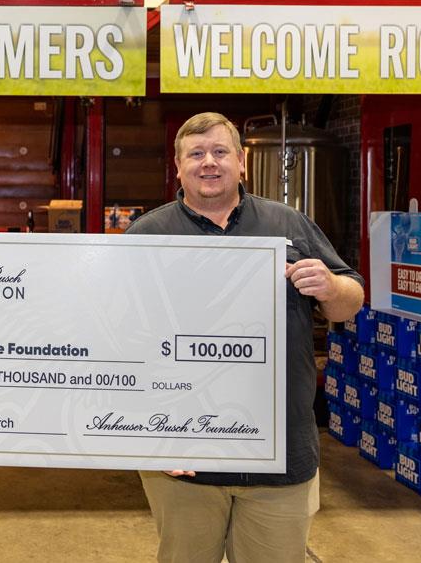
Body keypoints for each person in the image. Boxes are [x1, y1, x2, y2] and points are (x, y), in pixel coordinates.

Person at [126, 112, 364, 563]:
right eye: (195, 154)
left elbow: (349, 302)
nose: (208, 163)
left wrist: (331, 287)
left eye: (219, 152)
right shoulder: (146, 235)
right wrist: (142, 432)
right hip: (183, 452)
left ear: (241, 162)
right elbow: (118, 340)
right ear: (178, 167)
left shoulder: (289, 224)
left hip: (281, 451)